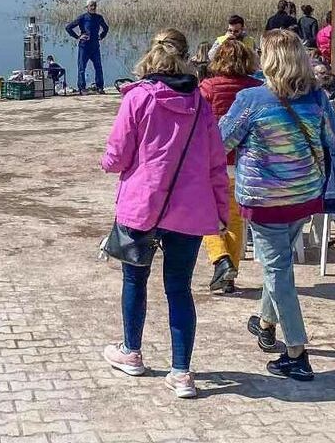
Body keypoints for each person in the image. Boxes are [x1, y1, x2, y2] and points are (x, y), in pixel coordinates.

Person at [100, 29, 227, 400]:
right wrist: (221, 209)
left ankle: (131, 351)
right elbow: (216, 162)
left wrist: (106, 162)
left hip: (142, 208)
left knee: (134, 282)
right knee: (179, 289)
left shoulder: (137, 97)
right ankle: (182, 373)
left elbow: (118, 154)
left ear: (148, 63)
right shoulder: (200, 104)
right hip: (189, 211)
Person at [222, 29, 335, 382]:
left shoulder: (251, 99)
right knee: (279, 265)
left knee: (279, 272)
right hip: (304, 195)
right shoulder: (317, 98)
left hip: (265, 200)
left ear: (268, 58)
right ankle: (265, 323)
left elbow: (222, 141)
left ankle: (297, 352)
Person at [198, 38, 261, 295]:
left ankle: (220, 258)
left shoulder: (208, 87)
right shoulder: (257, 87)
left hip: (214, 160)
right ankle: (229, 274)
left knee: (206, 215)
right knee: (235, 219)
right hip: (245, 162)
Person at [65, 0, 109, 94]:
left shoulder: (99, 17)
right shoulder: (83, 18)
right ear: (87, 7)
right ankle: (82, 88)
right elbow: (68, 27)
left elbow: (106, 28)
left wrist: (101, 36)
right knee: (82, 68)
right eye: (91, 6)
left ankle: (100, 87)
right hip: (84, 47)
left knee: (98, 67)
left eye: (94, 5)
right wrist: (78, 37)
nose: (93, 7)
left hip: (95, 47)